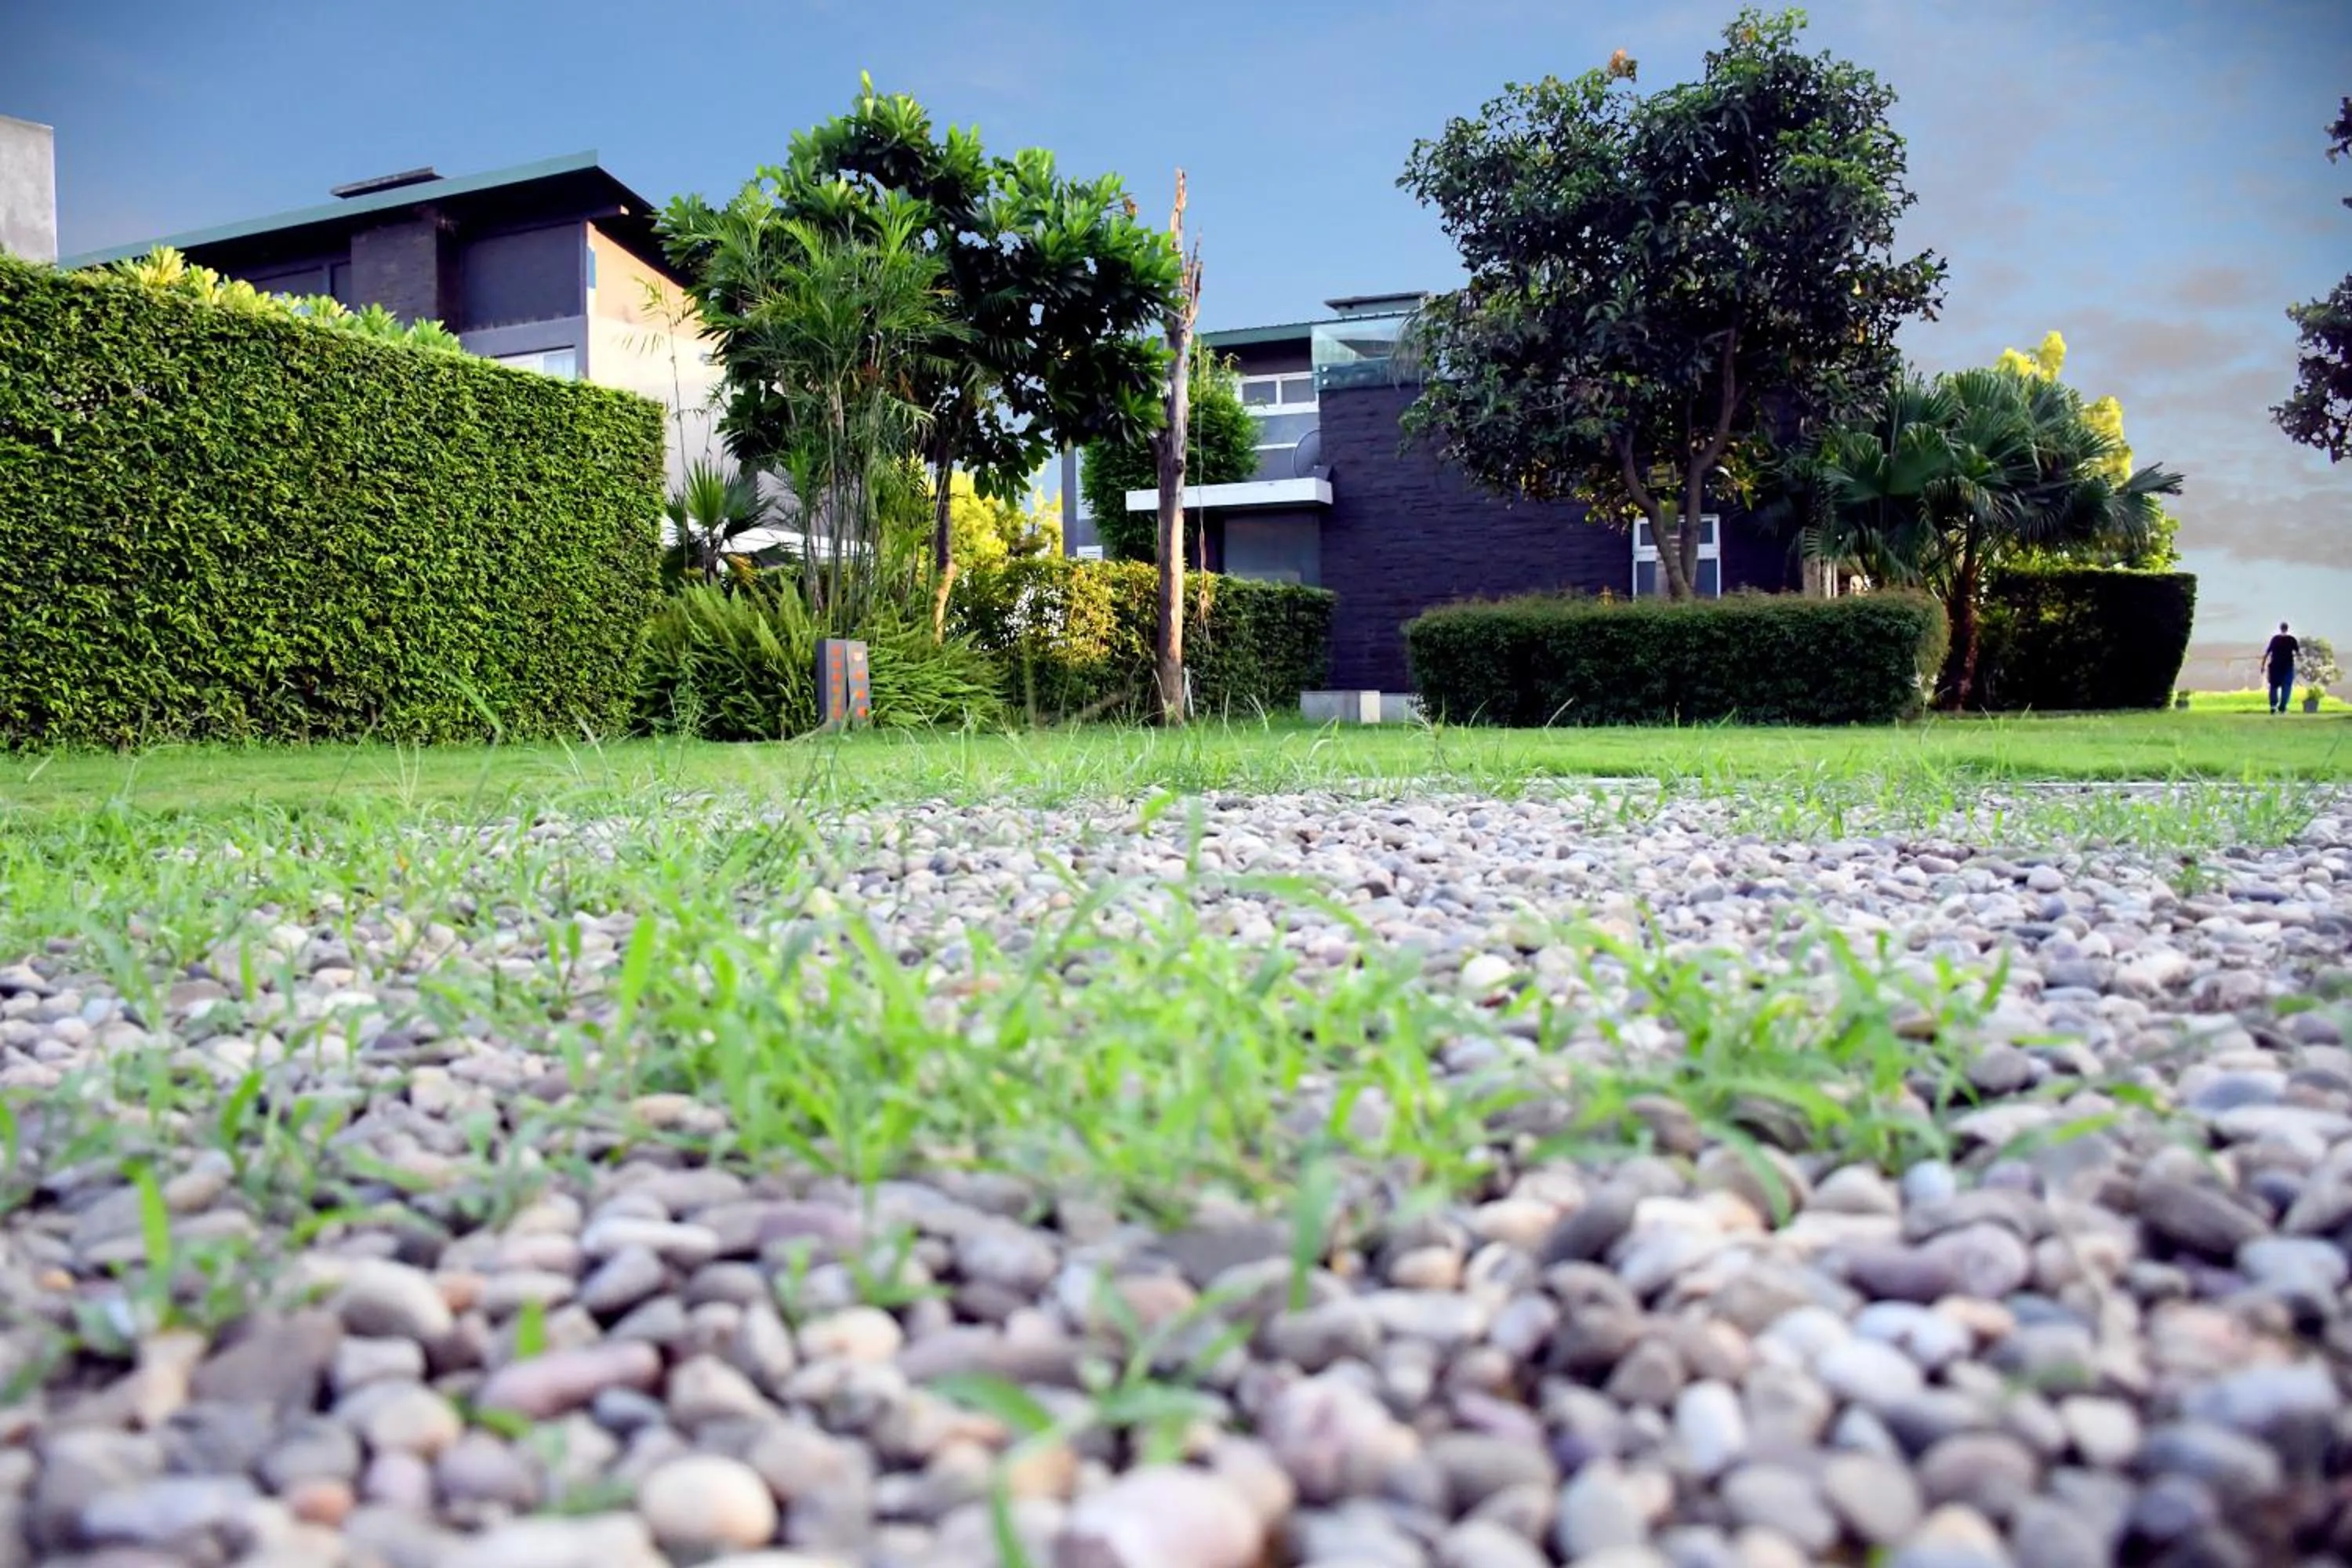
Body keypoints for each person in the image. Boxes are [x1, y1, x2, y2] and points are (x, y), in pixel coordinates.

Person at [2265, 621, 2300, 713]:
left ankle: (2273, 706)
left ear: (2280, 628)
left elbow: (2268, 652)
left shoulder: (2275, 639)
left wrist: (2262, 665)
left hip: (2275, 666)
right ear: (2287, 629)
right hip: (2287, 667)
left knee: (2273, 687)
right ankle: (2282, 707)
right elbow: (2298, 653)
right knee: (2286, 687)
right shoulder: (2292, 639)